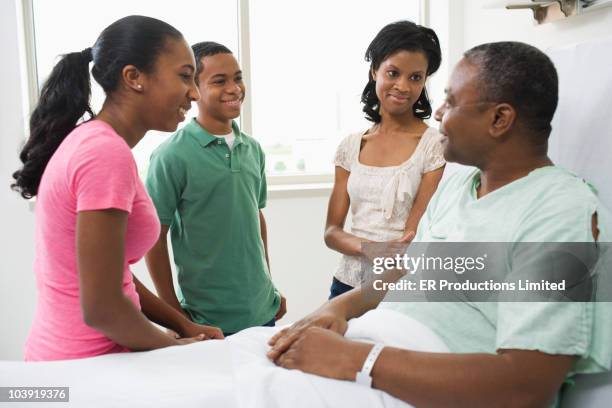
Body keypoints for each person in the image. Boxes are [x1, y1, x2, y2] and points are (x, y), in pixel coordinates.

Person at [267, 41, 612, 407]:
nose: (437, 113)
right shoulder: (458, 187)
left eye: (450, 101)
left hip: (404, 376)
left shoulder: (560, 211)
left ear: (499, 119)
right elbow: (409, 269)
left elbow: (526, 386)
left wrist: (354, 359)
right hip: (370, 347)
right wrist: (337, 308)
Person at [11, 15, 223, 362]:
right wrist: (177, 349)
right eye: (185, 76)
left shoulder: (95, 142)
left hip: (81, 357)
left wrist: (182, 324)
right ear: (133, 77)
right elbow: (103, 309)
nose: (194, 93)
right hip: (83, 366)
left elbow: (112, 276)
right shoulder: (104, 153)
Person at [145, 42, 286, 336]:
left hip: (262, 310)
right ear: (195, 89)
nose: (234, 88)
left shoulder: (253, 149)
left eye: (238, 78)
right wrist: (173, 314)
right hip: (206, 319)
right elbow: (153, 238)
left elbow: (255, 217)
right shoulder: (171, 155)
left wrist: (270, 286)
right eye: (219, 81)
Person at [325, 21, 446, 299]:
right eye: (393, 73)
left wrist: (384, 256)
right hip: (345, 283)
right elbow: (331, 232)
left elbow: (414, 234)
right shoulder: (351, 146)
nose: (403, 86)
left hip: (400, 286)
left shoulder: (434, 146)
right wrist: (370, 248)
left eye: (416, 77)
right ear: (374, 71)